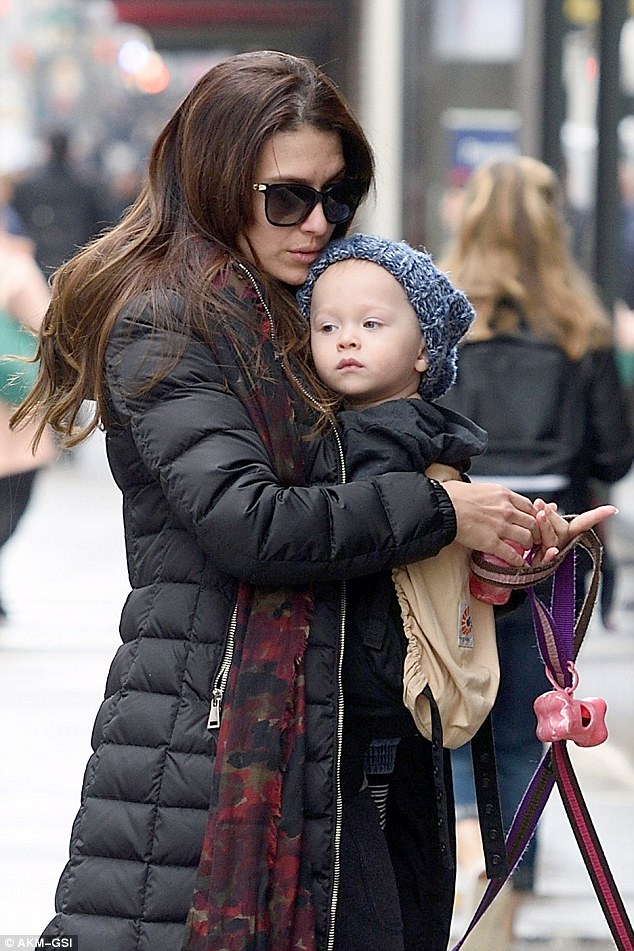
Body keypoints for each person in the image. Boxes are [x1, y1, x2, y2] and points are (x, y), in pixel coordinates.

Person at [12, 54, 602, 951]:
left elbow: (358, 491)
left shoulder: (309, 309)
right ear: (217, 182)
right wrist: (445, 513)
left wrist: (486, 543)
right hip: (218, 750)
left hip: (343, 748)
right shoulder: (170, 317)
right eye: (287, 197)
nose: (319, 222)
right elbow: (250, 522)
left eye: (340, 194)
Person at [438, 155, 634, 948]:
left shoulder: (440, 318)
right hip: (555, 553)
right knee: (529, 726)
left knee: (454, 715)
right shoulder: (579, 324)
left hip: (460, 543)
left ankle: (459, 875)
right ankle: (505, 887)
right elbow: (615, 451)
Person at [0, 227, 57, 619]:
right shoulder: (15, 264)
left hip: (13, 417)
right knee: (10, 509)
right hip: (14, 419)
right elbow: (48, 327)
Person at [12, 128, 106, 275]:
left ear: (47, 149)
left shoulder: (28, 187)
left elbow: (19, 222)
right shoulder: (85, 186)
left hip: (39, 260)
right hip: (76, 260)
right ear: (69, 150)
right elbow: (99, 225)